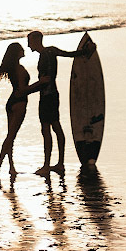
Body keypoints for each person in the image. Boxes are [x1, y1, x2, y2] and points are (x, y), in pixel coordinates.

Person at [23, 30, 94, 176]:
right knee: (56, 127)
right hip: (54, 95)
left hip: (46, 97)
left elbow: (45, 81)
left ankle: (47, 166)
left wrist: (26, 91)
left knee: (46, 130)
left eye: (29, 41)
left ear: (37, 40)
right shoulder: (52, 50)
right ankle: (60, 163)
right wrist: (85, 51)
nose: (28, 45)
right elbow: (70, 54)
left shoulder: (43, 56)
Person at [0, 42, 30, 180]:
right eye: (21, 49)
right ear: (17, 52)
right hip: (19, 103)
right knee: (11, 136)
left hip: (11, 102)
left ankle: (11, 167)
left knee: (10, 136)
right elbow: (22, 89)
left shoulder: (11, 67)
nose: (24, 50)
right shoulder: (19, 69)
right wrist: (40, 85)